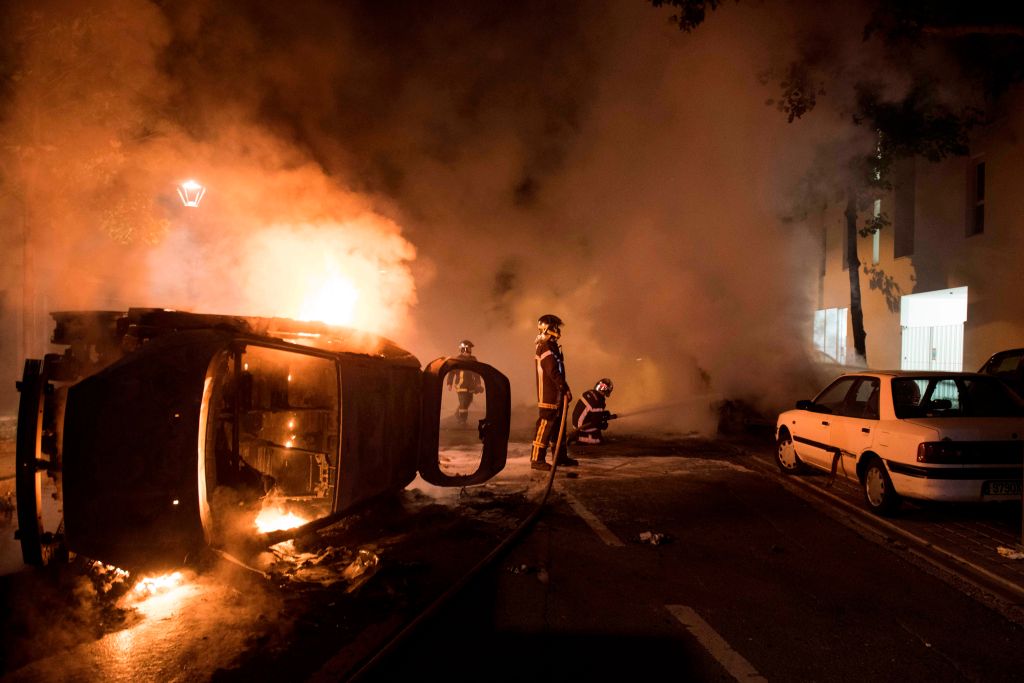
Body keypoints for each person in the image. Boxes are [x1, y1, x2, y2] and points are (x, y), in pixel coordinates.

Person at [531, 314, 578, 470]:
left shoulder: (552, 346)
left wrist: (564, 389)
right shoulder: (545, 347)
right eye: (555, 327)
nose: (558, 330)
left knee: (558, 428)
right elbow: (552, 371)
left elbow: (557, 371)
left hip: (557, 395)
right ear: (547, 328)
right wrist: (564, 388)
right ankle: (537, 459)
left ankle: (560, 457)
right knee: (545, 426)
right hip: (549, 396)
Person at [445, 339, 483, 425]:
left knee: (469, 400)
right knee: (463, 401)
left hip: (470, 385)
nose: (469, 351)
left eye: (470, 349)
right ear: (463, 349)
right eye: (468, 348)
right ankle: (463, 420)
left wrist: (478, 383)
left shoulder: (473, 359)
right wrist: (449, 383)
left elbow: (477, 372)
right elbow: (452, 372)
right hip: (460, 385)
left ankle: (457, 413)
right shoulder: (457, 360)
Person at [571, 378, 616, 444]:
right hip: (581, 428)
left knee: (597, 430)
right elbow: (596, 422)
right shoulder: (598, 401)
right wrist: (603, 425)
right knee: (598, 440)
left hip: (576, 424)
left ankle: (579, 435)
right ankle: (579, 438)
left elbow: (590, 411)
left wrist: (602, 413)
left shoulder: (589, 392)